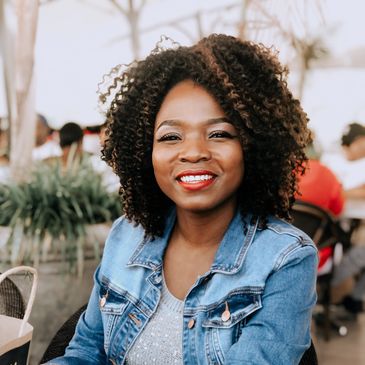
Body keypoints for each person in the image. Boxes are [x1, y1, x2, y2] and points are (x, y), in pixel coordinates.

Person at [48, 34, 317, 364]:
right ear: (146, 151)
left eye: (219, 133)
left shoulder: (285, 259)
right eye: (170, 136)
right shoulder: (126, 235)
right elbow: (85, 352)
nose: (193, 152)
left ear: (251, 146)